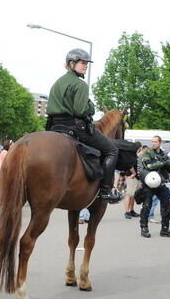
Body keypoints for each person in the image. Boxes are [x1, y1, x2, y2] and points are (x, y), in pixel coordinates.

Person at [44, 48, 121, 203]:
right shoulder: (80, 85)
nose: (86, 66)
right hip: (75, 128)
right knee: (112, 150)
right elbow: (80, 111)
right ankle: (105, 191)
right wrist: (91, 108)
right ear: (72, 63)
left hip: (54, 127)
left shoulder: (57, 83)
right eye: (82, 62)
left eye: (87, 63)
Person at [137, 136, 170, 238]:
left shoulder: (164, 154)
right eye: (152, 141)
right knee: (146, 206)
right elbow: (148, 166)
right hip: (149, 183)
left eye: (155, 142)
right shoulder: (148, 153)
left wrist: (169, 164)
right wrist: (162, 163)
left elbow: (169, 168)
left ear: (160, 143)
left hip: (161, 182)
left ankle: (165, 229)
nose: (153, 143)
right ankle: (144, 228)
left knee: (167, 205)